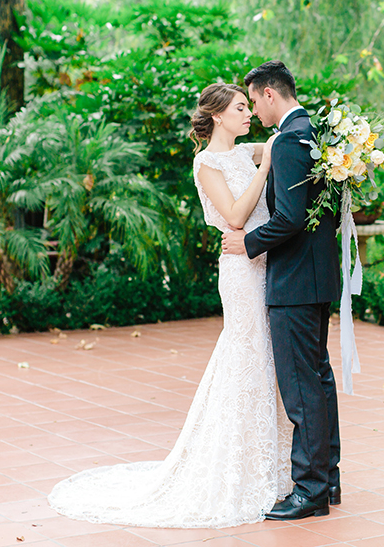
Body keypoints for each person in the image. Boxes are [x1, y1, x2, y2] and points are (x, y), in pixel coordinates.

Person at [47, 82, 293, 528]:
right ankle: (237, 469)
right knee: (248, 356)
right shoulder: (207, 163)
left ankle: (274, 468)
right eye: (241, 108)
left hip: (265, 266)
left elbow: (284, 137)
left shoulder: (245, 150)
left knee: (269, 361)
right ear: (218, 115)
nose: (249, 114)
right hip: (240, 271)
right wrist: (265, 167)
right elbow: (235, 217)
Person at [222, 60, 342, 521]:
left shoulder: (291, 141)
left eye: (254, 99)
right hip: (318, 276)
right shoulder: (317, 133)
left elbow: (290, 217)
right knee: (319, 379)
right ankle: (327, 478)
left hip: (293, 281)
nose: (254, 106)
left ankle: (308, 491)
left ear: (270, 94)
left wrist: (247, 243)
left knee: (299, 388)